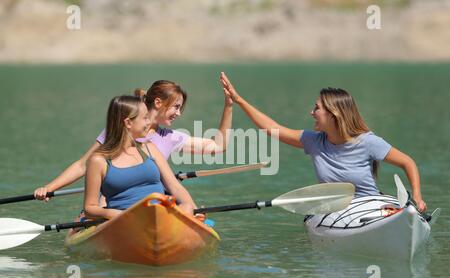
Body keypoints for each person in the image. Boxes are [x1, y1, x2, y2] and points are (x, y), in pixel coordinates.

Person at [220, 72, 427, 212]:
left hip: (370, 206)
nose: (311, 112)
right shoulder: (314, 141)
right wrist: (238, 101)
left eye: (316, 108)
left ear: (334, 113)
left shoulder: (368, 142)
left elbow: (407, 162)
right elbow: (273, 129)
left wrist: (416, 196)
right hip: (335, 212)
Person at [35, 79, 233, 201]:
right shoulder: (122, 129)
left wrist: (229, 105)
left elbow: (218, 145)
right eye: (176, 107)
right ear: (158, 103)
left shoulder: (170, 137)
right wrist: (49, 188)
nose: (179, 113)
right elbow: (82, 165)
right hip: (115, 203)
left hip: (154, 202)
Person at [84, 95, 196, 219]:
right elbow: (90, 208)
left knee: (187, 207)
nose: (149, 122)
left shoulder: (149, 148)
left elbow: (175, 186)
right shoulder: (98, 161)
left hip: (161, 214)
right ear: (128, 123)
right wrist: (111, 213)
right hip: (124, 221)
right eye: (145, 118)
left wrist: (191, 207)